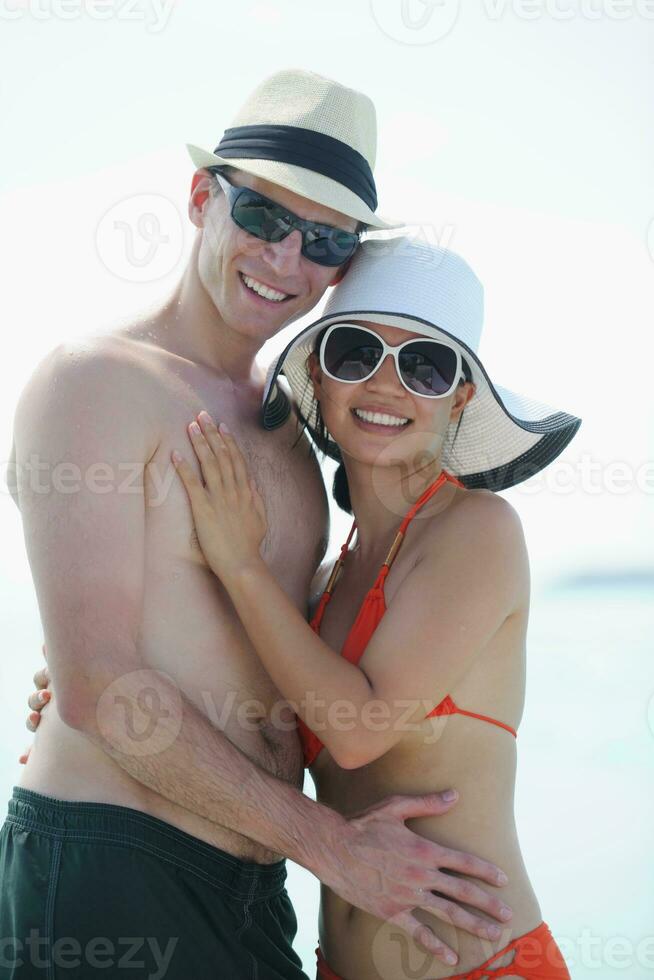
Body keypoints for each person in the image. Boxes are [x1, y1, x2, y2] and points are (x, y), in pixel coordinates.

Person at [1, 71, 513, 979]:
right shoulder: (95, 380)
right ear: (203, 199)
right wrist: (331, 844)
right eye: (265, 219)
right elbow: (98, 684)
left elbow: (248, 648)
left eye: (323, 242)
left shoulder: (287, 435)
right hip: (120, 873)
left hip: (255, 888)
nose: (286, 261)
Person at [166, 238, 580, 978]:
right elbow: (234, 709)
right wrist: (92, 688)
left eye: (424, 364)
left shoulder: (478, 531)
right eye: (356, 353)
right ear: (321, 378)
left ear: (459, 395)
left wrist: (239, 563)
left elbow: (357, 732)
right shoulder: (320, 587)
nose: (387, 386)